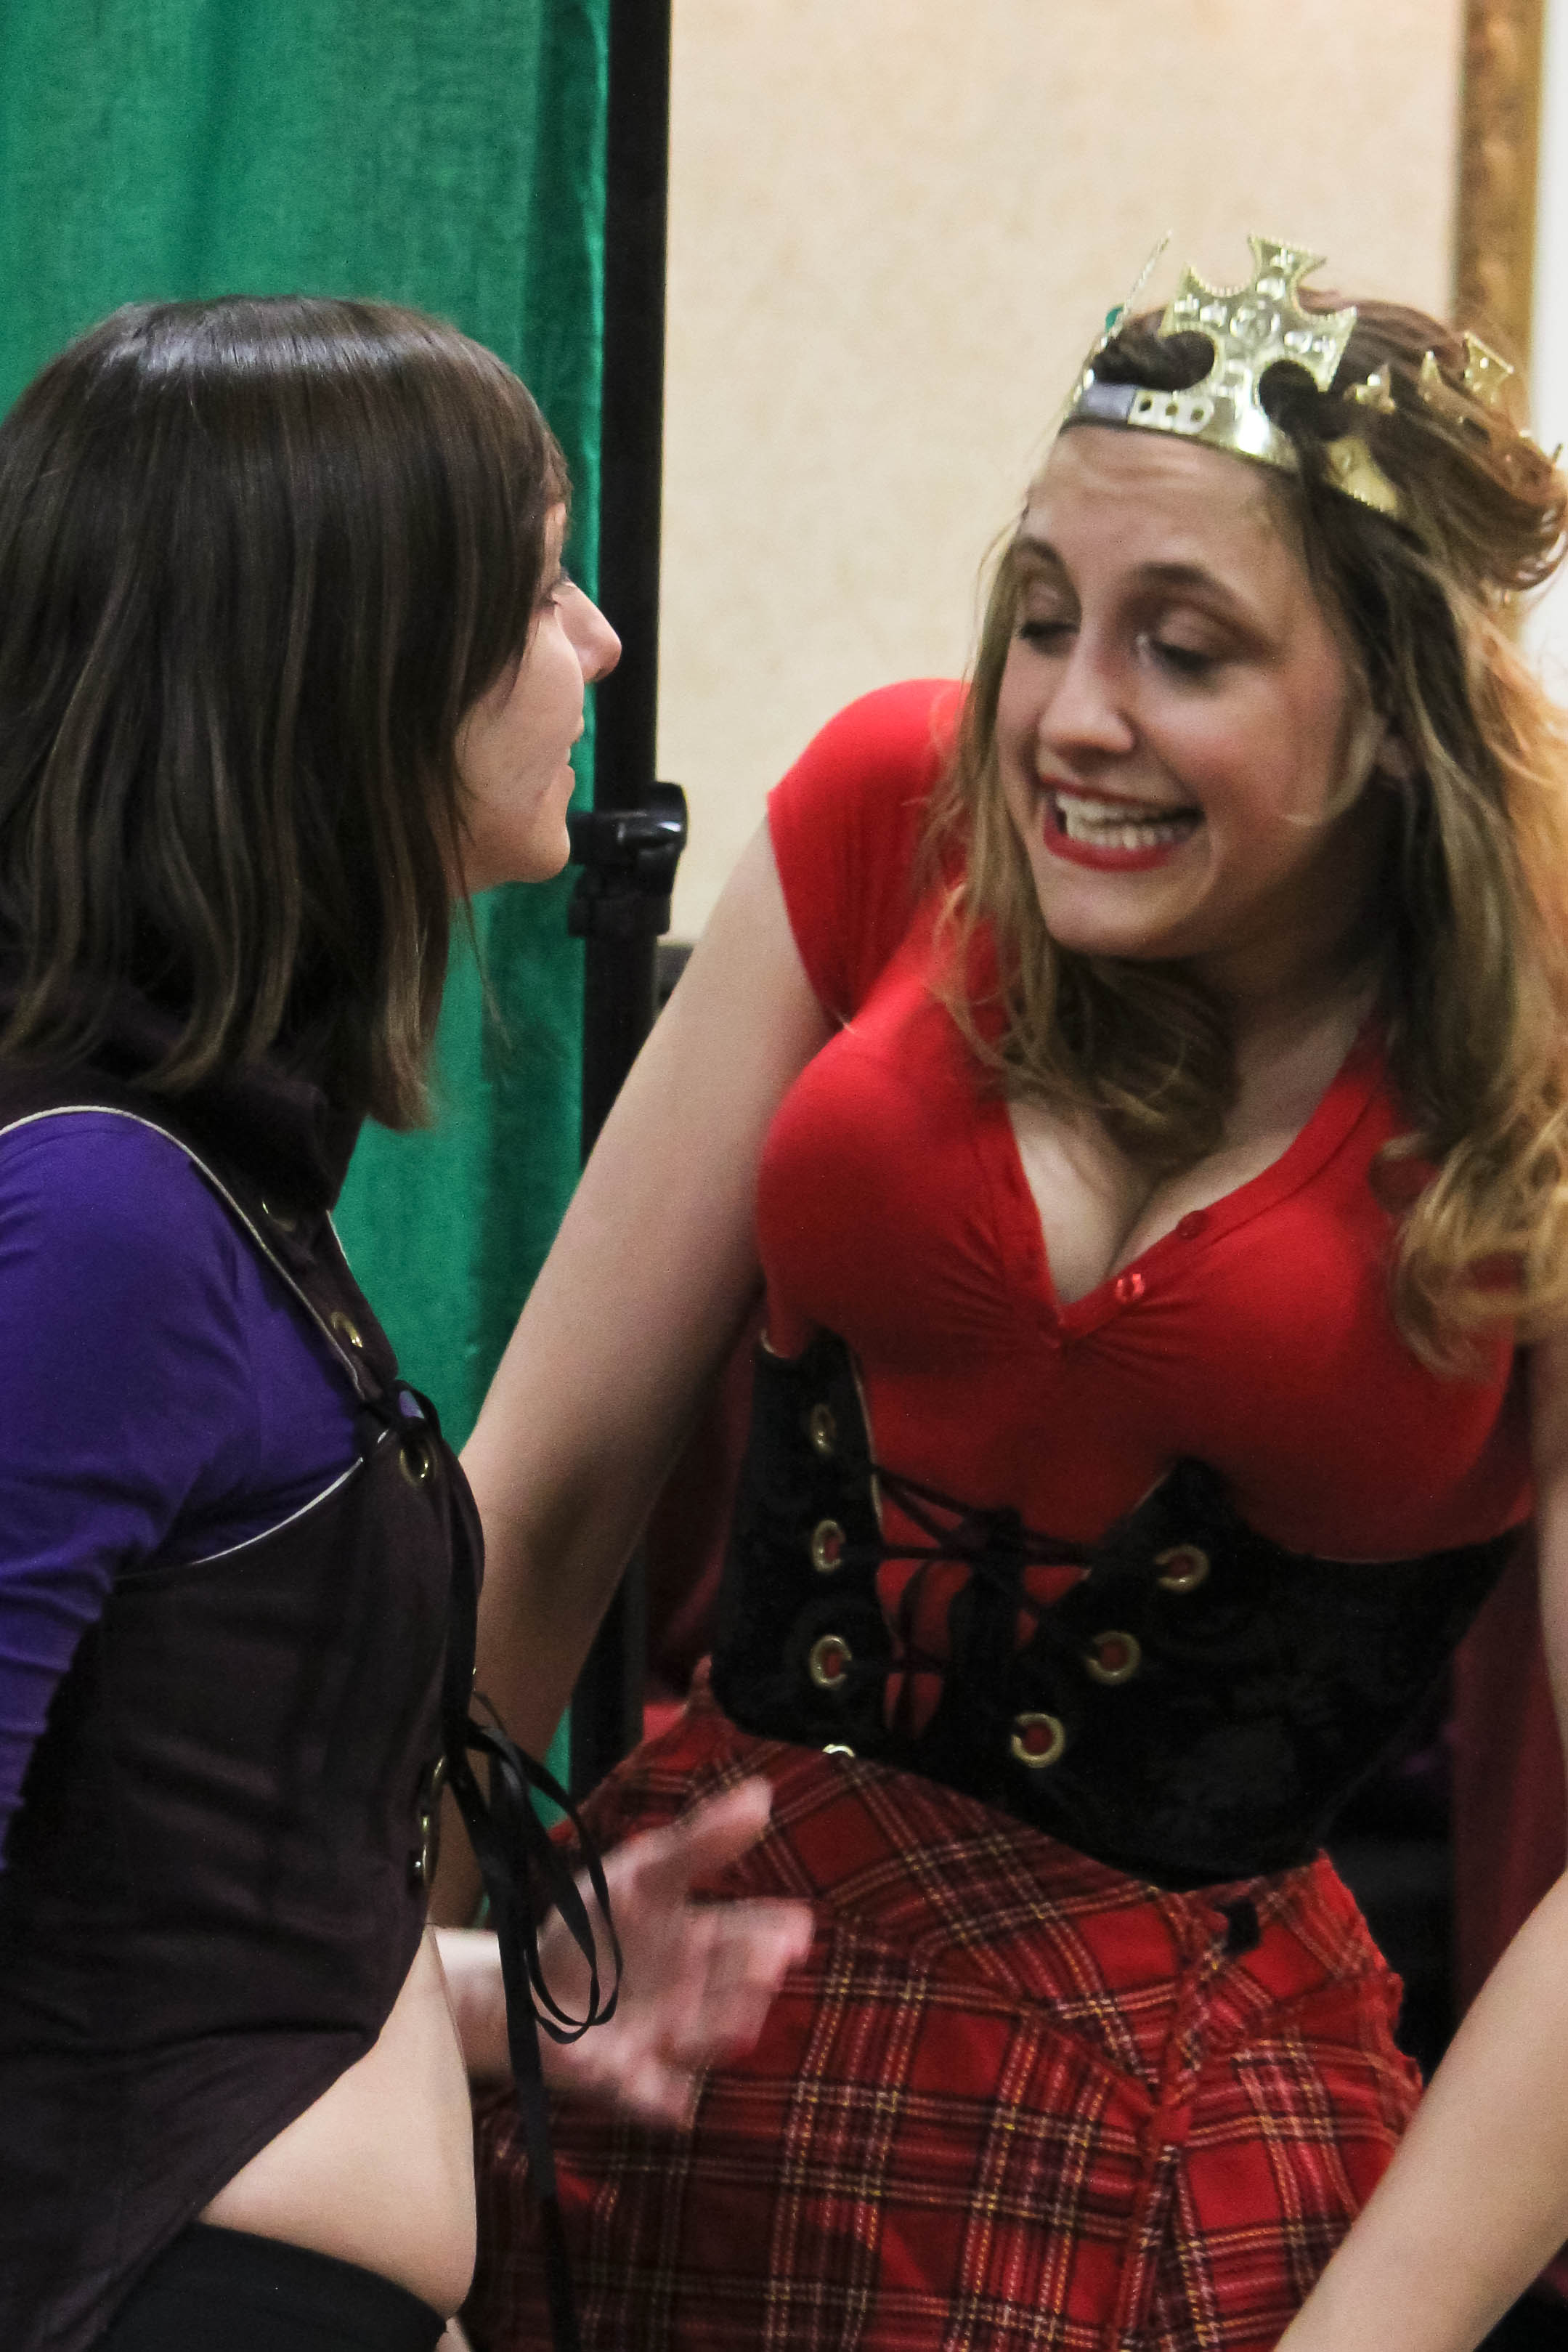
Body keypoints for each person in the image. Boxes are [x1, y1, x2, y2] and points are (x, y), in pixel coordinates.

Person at [450, 238, 1568, 2352]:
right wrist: (374, 2043)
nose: (1071, 717)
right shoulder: (896, 807)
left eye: (1185, 650)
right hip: (674, 2022)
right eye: (1043, 616)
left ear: (1398, 704)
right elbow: (549, 1487)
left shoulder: (1541, 1052)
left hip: (1171, 2157)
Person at [0, 296, 812, 2352]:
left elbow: (132, 1925)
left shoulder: (194, 1187)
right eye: (538, 586)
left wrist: (490, 1989)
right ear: (345, 666)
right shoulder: (102, 1217)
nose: (596, 643)